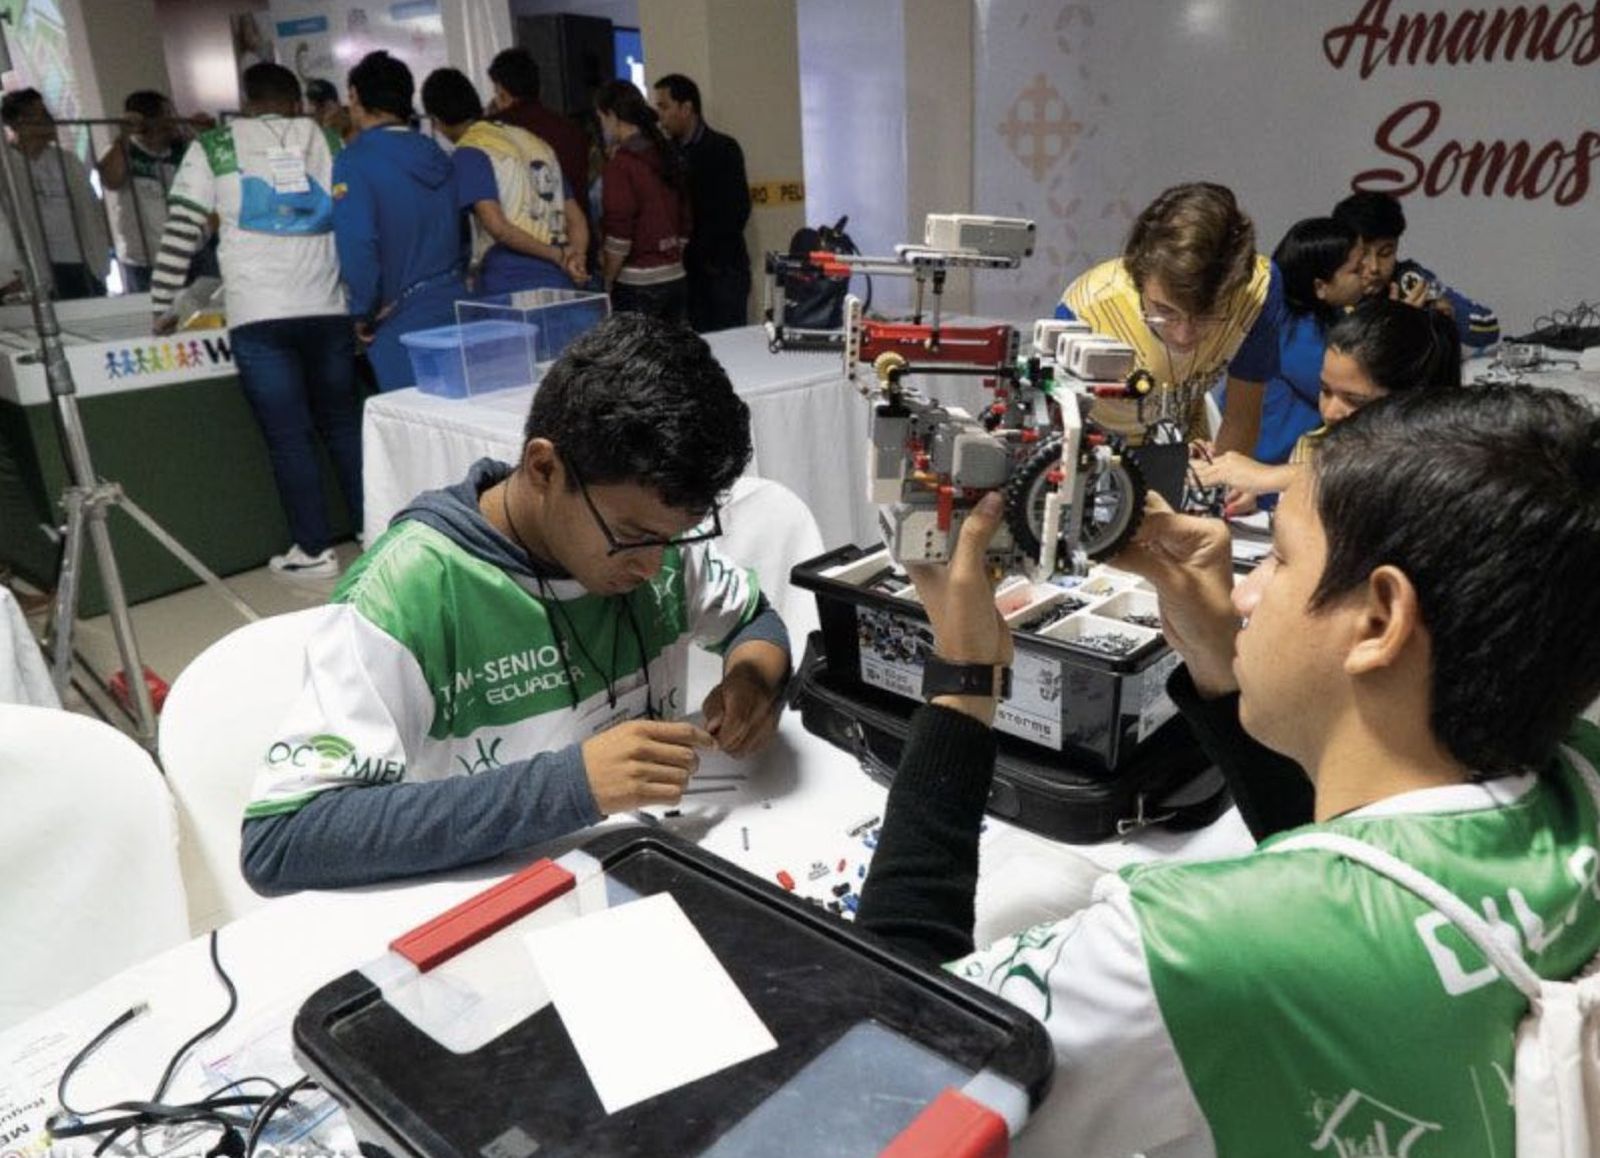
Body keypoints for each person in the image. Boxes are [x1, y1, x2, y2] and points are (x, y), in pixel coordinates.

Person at [854, 383, 1600, 1155]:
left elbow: (881, 1058)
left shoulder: (1181, 952)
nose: (1244, 590)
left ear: (1380, 619)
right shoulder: (1582, 771)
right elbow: (1364, 881)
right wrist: (1220, 655)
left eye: (1278, 557)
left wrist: (964, 673)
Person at [241, 312, 791, 893]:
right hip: (498, 906)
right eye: (633, 536)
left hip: (645, 870)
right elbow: (283, 839)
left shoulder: (656, 543)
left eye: (676, 537)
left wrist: (753, 680)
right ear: (544, 468)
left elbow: (754, 621)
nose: (654, 565)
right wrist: (573, 786)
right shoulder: (412, 591)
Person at [150, 63, 362, 580]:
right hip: (328, 308)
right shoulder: (328, 140)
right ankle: (372, 528)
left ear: (246, 101)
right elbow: (353, 221)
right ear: (295, 102)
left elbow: (182, 230)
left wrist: (163, 306)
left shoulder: (215, 147)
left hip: (259, 315)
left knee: (288, 437)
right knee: (343, 425)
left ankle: (312, 551)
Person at [1056, 182, 1286, 454]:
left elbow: (1242, 413)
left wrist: (1230, 486)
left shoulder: (1256, 292)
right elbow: (1058, 430)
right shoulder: (1088, 310)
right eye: (1165, 311)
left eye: (1207, 316)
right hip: (1096, 452)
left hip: (1185, 449)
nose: (1183, 336)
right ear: (1139, 274)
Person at [1194, 296, 1460, 510]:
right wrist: (1252, 496)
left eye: (1354, 400)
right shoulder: (1313, 445)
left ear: (1409, 402)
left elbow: (1373, 482)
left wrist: (1269, 477)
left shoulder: (1439, 470)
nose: (1331, 412)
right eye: (1325, 390)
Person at [332, 51, 467, 392]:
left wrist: (362, 311)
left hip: (397, 318)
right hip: (454, 304)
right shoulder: (438, 154)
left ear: (356, 98)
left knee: (412, 428)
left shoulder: (355, 161)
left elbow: (359, 244)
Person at [420, 67, 588, 295]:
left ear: (437, 121)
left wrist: (557, 256)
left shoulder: (470, 150)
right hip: (562, 281)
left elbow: (498, 228)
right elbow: (576, 218)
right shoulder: (535, 141)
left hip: (512, 282)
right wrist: (575, 258)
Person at [1249, 216, 1366, 468]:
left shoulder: (1329, 317)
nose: (1368, 273)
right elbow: (1366, 398)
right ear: (1320, 286)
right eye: (1356, 270)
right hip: (1268, 475)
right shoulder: (1293, 333)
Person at [1333, 190, 1500, 349]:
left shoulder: (1408, 279)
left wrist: (1450, 315)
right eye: (1363, 256)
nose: (1375, 267)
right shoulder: (1329, 287)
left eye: (1386, 253)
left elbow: (1489, 326)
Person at [652, 74, 751, 332]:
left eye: (664, 106)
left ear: (686, 108)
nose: (659, 115)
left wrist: (703, 248)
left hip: (721, 271)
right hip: (685, 274)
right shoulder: (664, 155)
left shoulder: (723, 149)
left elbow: (737, 211)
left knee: (731, 347)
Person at [0, 89, 111, 299]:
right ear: (17, 123)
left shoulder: (68, 161)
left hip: (83, 261)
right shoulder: (7, 166)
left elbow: (91, 208)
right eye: (38, 115)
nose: (48, 120)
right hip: (36, 266)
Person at [594, 80, 690, 323]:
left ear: (612, 116)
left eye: (602, 119)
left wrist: (606, 280)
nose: (602, 127)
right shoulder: (665, 153)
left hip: (636, 283)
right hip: (675, 276)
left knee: (637, 359)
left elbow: (619, 236)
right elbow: (685, 219)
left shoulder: (622, 165)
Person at [97, 91, 195, 293]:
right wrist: (124, 135)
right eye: (167, 114)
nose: (173, 120)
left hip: (191, 252)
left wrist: (195, 131)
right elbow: (111, 180)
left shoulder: (183, 148)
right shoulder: (123, 150)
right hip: (144, 258)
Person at [485, 48, 590, 235]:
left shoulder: (492, 132)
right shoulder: (572, 130)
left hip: (521, 245)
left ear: (502, 92)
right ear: (539, 88)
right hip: (575, 239)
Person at [304, 78, 354, 144]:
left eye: (322, 105)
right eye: (313, 105)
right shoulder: (312, 136)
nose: (318, 111)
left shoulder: (357, 124)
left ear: (337, 103)